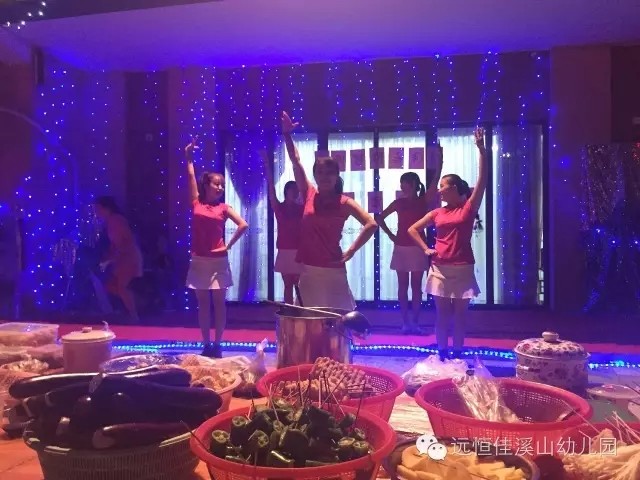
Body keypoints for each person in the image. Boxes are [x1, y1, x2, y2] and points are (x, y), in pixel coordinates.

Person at [281, 111, 377, 310]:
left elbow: (371, 224)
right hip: (308, 268)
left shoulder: (345, 202)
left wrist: (351, 251)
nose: (325, 177)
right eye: (320, 173)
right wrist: (287, 135)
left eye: (329, 173)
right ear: (315, 175)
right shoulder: (308, 193)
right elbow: (296, 162)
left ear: (336, 176)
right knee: (310, 319)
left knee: (337, 319)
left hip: (333, 269)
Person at [408, 127, 487, 360]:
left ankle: (458, 353)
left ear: (453, 188)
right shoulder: (437, 212)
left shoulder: (468, 208)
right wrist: (426, 248)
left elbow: (482, 181)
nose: (440, 191)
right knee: (442, 314)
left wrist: (481, 150)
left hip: (462, 267)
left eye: (443, 186)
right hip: (439, 267)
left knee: (460, 315)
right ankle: (442, 353)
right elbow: (412, 229)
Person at [184, 136, 248, 358]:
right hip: (199, 259)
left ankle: (218, 344)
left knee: (219, 304)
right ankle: (206, 343)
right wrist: (189, 156)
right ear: (206, 185)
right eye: (216, 184)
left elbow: (243, 224)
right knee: (203, 305)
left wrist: (227, 246)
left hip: (218, 261)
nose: (220, 187)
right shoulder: (197, 202)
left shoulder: (224, 208)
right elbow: (190, 175)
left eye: (222, 185)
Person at [376, 149, 442, 334]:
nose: (402, 186)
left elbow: (435, 181)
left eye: (404, 183)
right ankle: (405, 322)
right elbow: (379, 218)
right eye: (401, 183)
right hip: (401, 247)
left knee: (416, 287)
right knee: (403, 286)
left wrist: (440, 161)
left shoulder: (424, 200)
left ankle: (415, 323)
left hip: (418, 247)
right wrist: (391, 236)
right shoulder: (399, 203)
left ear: (413, 184)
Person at [261, 150, 303, 305]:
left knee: (300, 285)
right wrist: (267, 166)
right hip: (285, 250)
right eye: (292, 190)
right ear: (286, 192)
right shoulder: (279, 208)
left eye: (297, 190)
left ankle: (300, 311)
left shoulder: (302, 208)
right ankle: (289, 311)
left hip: (300, 251)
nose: (295, 192)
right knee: (288, 285)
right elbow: (271, 190)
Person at [94, 196, 143, 322]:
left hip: (128, 257)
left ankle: (134, 315)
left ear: (107, 208)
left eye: (98, 209)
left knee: (122, 287)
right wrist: (108, 258)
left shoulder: (116, 221)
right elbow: (115, 245)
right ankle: (132, 312)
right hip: (122, 257)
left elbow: (123, 243)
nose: (97, 212)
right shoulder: (111, 222)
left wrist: (109, 259)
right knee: (113, 285)